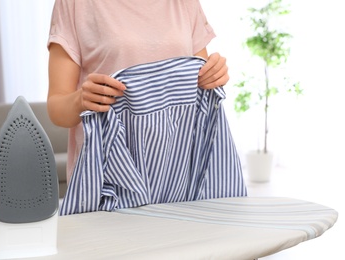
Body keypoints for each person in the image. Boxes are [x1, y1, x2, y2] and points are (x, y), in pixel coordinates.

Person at [47, 0, 242, 213]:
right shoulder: (74, 4)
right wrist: (80, 100)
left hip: (178, 177)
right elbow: (57, 109)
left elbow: (199, 83)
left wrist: (214, 73)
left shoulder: (184, 3)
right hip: (106, 180)